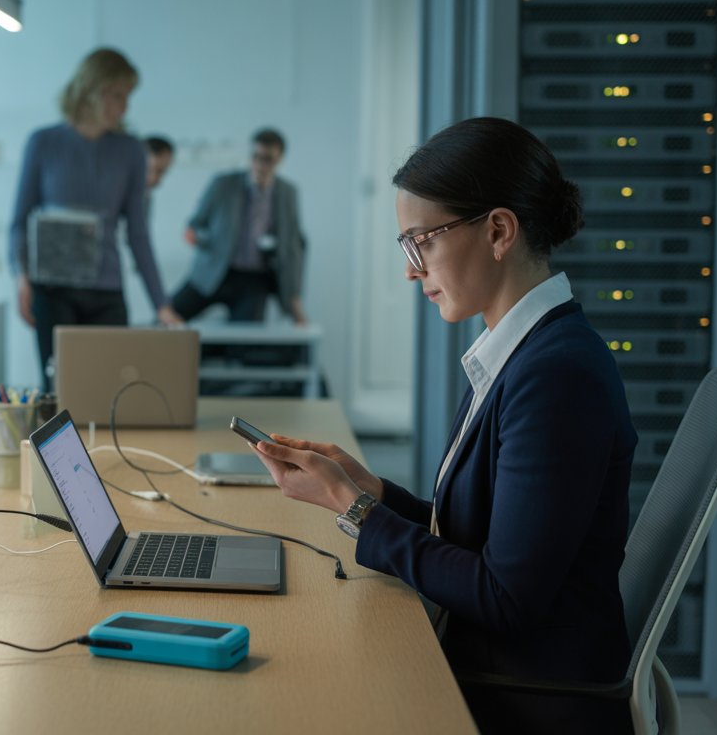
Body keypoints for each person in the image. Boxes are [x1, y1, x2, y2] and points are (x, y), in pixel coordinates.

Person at [251, 118, 635, 734]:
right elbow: (484, 535)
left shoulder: (557, 374)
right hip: (491, 668)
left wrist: (354, 512)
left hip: (524, 697)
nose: (411, 270)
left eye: (420, 242)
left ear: (499, 231)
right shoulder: (523, 351)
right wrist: (369, 490)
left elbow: (504, 596)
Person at [10, 48, 181, 385]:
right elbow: (19, 223)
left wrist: (161, 304)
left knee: (109, 389)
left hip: (106, 292)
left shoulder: (130, 150)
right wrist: (21, 276)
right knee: (59, 391)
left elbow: (138, 234)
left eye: (128, 96)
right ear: (90, 89)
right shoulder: (43, 143)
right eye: (117, 95)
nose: (124, 106)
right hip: (52, 289)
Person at [171, 128, 307, 324]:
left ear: (279, 160)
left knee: (246, 343)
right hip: (214, 271)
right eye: (255, 156)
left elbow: (292, 248)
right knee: (168, 319)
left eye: (267, 159)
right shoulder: (223, 184)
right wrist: (198, 237)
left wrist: (294, 298)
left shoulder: (288, 193)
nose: (260, 164)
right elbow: (196, 224)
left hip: (254, 281)